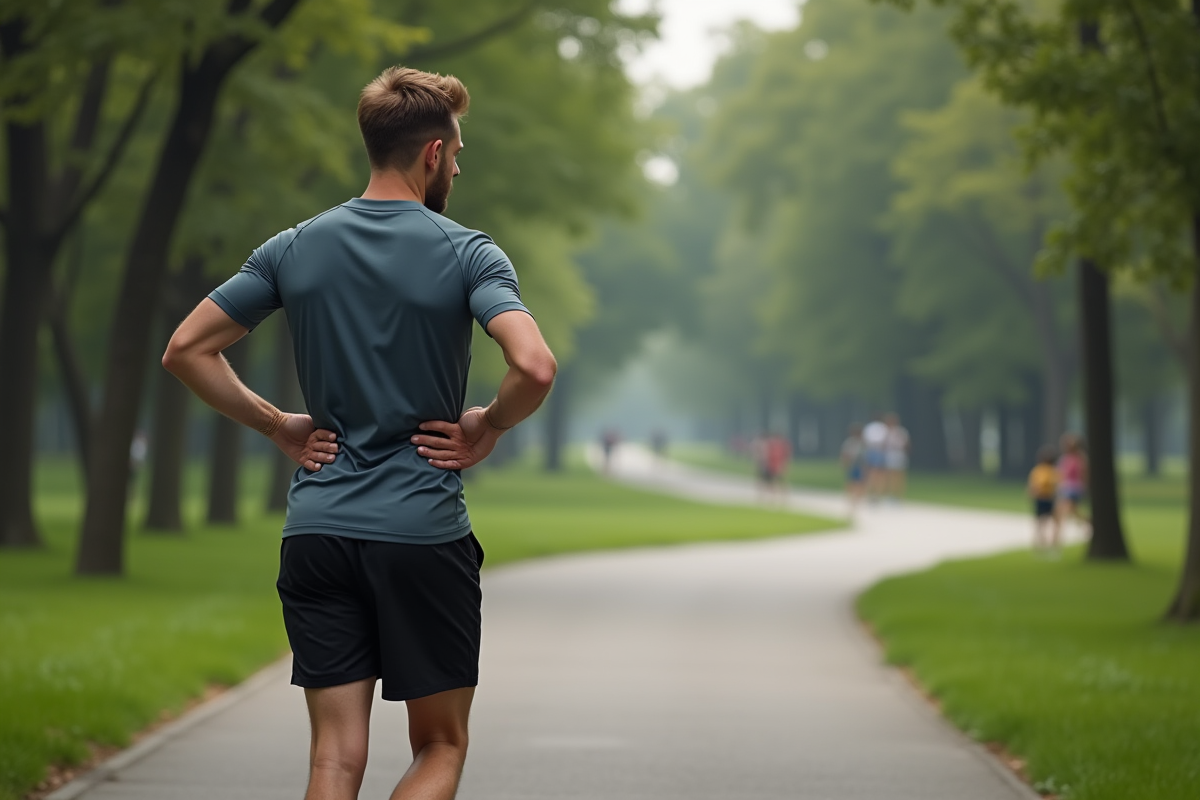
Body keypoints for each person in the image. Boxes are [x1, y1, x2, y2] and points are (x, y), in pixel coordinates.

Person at [162, 66, 556, 800]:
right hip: (422, 535)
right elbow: (533, 365)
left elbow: (186, 349)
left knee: (333, 760)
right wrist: (487, 425)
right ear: (433, 153)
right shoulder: (469, 252)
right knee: (440, 744)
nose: (459, 166)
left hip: (317, 533)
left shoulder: (293, 247)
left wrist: (278, 425)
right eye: (458, 152)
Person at [1027, 445, 1061, 555]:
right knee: (1041, 523)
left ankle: (1047, 545)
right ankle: (1042, 545)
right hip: (1043, 499)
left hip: (1048, 499)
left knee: (1045, 523)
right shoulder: (1042, 471)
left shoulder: (1048, 471)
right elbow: (1034, 486)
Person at [1056, 433, 1090, 534]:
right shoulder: (1065, 458)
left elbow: (1084, 475)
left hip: (1074, 488)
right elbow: (1061, 474)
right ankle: (1088, 522)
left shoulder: (1080, 459)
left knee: (1061, 512)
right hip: (1066, 488)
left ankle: (1056, 539)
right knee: (1073, 513)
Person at [882, 412, 910, 502]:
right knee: (892, 476)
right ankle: (893, 495)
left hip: (895, 454)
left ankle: (896, 496)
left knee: (896, 476)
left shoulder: (894, 432)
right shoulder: (900, 431)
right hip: (894, 454)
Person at [840, 423, 867, 515]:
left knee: (859, 483)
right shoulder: (850, 442)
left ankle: (856, 499)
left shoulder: (862, 443)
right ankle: (852, 498)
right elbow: (845, 454)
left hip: (859, 465)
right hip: (853, 464)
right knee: (852, 482)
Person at [861, 416, 888, 502]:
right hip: (879, 450)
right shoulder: (883, 427)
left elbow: (865, 440)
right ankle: (876, 494)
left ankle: (870, 493)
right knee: (879, 475)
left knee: (870, 473)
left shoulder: (869, 427)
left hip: (871, 450)